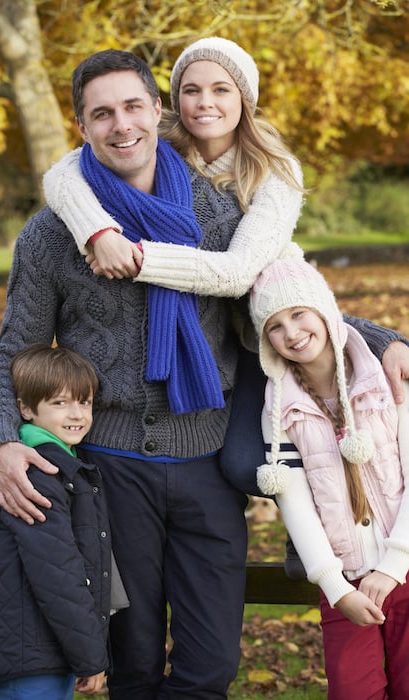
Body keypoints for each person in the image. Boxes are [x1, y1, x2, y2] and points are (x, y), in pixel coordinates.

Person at [0, 48, 409, 700]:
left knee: (210, 666)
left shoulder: (220, 220)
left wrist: (383, 338)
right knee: (132, 664)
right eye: (102, 114)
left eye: (132, 106)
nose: (120, 124)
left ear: (157, 112)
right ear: (81, 125)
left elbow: (286, 302)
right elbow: (14, 347)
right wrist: (1, 439)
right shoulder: (52, 234)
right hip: (109, 471)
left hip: (207, 462)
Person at [42, 37, 409, 496]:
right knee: (243, 466)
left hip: (266, 324)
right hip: (220, 335)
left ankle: (347, 530)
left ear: (245, 99)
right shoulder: (156, 146)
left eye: (221, 90)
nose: (204, 103)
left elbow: (242, 277)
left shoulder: (274, 174)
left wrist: (136, 258)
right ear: (170, 102)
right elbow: (62, 173)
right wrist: (97, 231)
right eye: (191, 90)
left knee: (278, 452)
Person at [249, 257, 409, 699]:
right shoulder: (279, 410)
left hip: (407, 563)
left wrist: (395, 564)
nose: (292, 333)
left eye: (299, 313)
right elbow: (296, 506)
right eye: (275, 326)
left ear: (323, 310)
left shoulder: (388, 382)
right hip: (345, 581)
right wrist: (337, 588)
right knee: (353, 690)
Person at [0, 344, 128, 699]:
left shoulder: (66, 467)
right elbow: (58, 576)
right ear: (25, 408)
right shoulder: (36, 476)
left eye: (84, 402)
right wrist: (92, 659)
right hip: (29, 651)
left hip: (51, 647)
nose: (76, 414)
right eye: (59, 403)